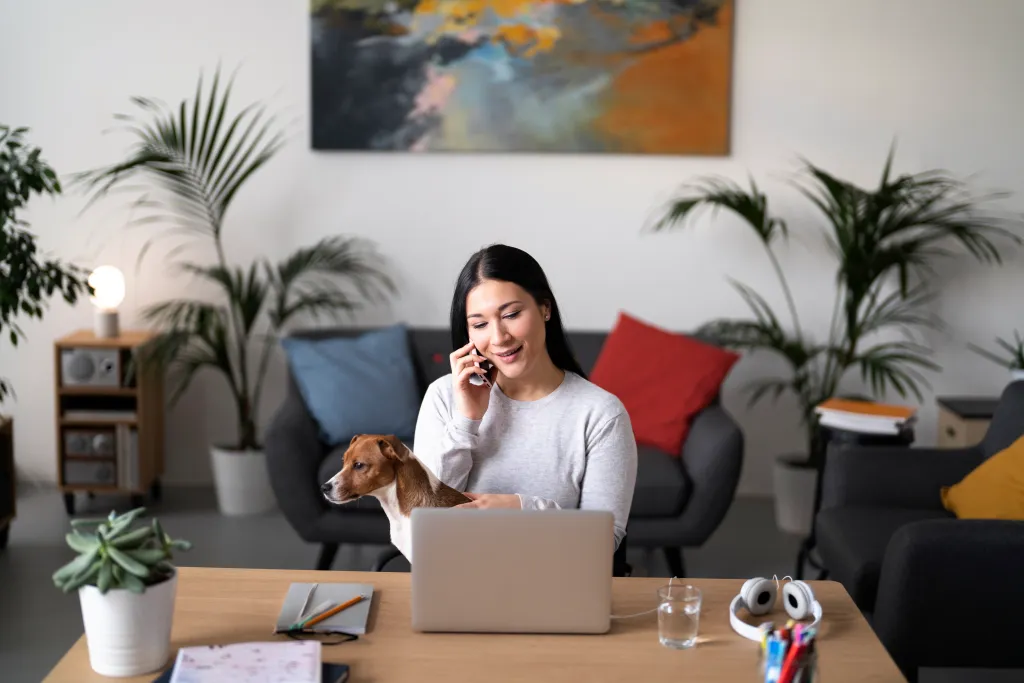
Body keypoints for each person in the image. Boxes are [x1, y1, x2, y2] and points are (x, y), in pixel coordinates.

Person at [412, 244, 638, 550]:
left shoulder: (600, 413)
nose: (499, 337)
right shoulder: (443, 396)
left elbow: (603, 540)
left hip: (558, 582)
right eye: (480, 324)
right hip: (461, 578)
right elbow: (422, 520)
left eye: (512, 314)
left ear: (545, 308)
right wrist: (466, 420)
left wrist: (520, 509)